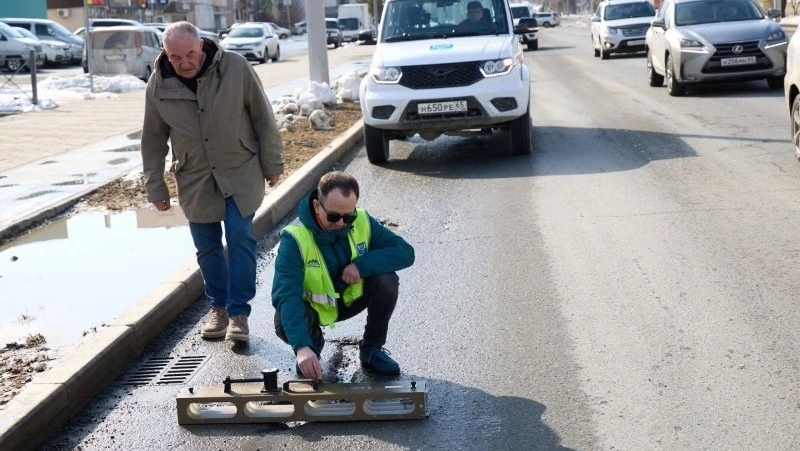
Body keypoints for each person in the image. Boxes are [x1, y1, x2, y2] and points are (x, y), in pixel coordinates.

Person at [140, 21, 283, 344]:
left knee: (239, 237)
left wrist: (272, 162)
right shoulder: (159, 84)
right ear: (166, 53)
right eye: (176, 57)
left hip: (240, 170)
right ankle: (218, 307)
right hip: (195, 178)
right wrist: (156, 188)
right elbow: (152, 139)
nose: (185, 63)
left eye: (190, 54)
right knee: (206, 246)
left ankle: (238, 312)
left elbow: (263, 116)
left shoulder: (235, 67)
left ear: (201, 45)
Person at [272, 171, 415, 379]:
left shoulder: (362, 221)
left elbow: (405, 252)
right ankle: (313, 346)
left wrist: (361, 266)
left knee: (386, 279)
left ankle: (371, 349)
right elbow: (287, 295)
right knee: (284, 320)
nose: (341, 223)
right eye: (334, 216)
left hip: (349, 301)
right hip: (312, 310)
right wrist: (302, 346)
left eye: (348, 216)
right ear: (317, 206)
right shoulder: (295, 239)